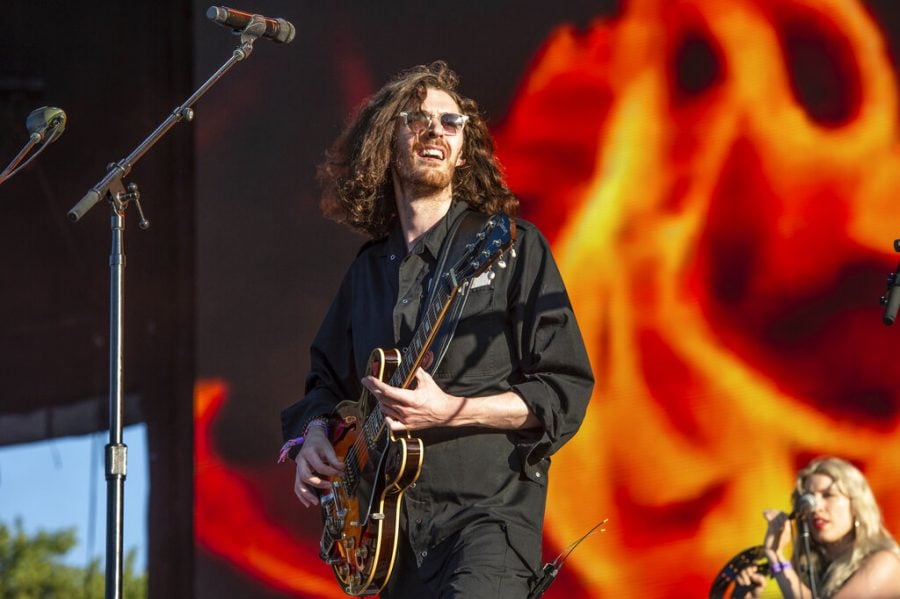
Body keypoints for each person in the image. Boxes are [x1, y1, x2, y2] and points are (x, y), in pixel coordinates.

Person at [279, 60, 594, 598]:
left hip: (486, 522)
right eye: (418, 118)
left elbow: (564, 389)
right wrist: (311, 436)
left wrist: (454, 410)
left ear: (464, 148)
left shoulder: (511, 247)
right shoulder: (368, 272)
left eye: (451, 123)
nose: (436, 131)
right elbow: (324, 383)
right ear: (387, 138)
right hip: (392, 537)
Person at [734, 456, 900, 598]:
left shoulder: (884, 562)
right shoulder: (810, 570)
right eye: (806, 499)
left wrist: (776, 557)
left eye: (828, 495)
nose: (814, 507)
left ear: (856, 505)